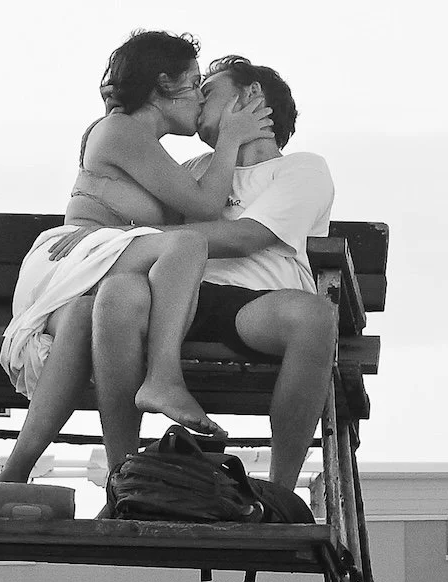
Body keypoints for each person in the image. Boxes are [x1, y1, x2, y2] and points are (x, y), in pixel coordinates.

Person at [0, 30, 276, 485]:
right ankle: (164, 377)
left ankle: (36, 472)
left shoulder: (151, 151)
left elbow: (190, 207)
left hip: (94, 273)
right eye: (195, 85)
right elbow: (203, 211)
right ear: (164, 85)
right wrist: (229, 139)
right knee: (187, 243)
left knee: (99, 310)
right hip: (73, 255)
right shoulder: (120, 129)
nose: (200, 101)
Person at [90, 55, 339, 489]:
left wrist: (163, 236)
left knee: (315, 317)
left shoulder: (301, 168)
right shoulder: (195, 173)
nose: (197, 99)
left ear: (252, 96)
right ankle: (123, 478)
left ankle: (279, 492)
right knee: (118, 294)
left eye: (209, 90)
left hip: (256, 304)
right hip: (179, 296)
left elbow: (246, 238)